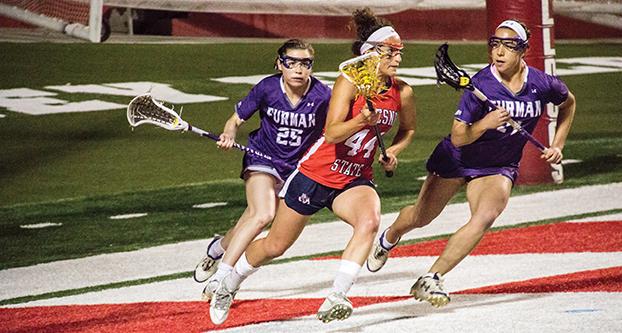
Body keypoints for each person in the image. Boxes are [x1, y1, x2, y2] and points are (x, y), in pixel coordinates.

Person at [208, 8, 416, 325]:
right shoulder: (348, 82)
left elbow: (407, 130)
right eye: (391, 52)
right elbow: (332, 132)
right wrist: (361, 120)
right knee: (275, 245)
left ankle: (336, 296)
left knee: (369, 221)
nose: (398, 59)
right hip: (316, 173)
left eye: (399, 52)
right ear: (370, 54)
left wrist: (393, 151)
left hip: (355, 178)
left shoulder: (402, 91)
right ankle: (230, 283)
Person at [366, 19, 576, 308]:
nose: (499, 52)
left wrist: (558, 144)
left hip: (498, 166)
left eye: (509, 46)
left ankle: (432, 277)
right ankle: (390, 237)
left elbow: (568, 103)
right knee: (421, 217)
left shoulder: (542, 84)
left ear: (524, 50)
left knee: (485, 216)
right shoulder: (481, 84)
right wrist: (485, 124)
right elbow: (459, 136)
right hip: (458, 157)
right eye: (495, 45)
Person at [193, 39, 332, 300]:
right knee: (263, 214)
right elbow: (235, 120)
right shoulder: (267, 88)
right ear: (280, 64)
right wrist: (227, 133)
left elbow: (333, 131)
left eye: (306, 64)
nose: (299, 70)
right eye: (292, 63)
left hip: (296, 169)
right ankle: (222, 279)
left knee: (250, 219)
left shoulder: (323, 96)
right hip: (262, 159)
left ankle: (217, 247)